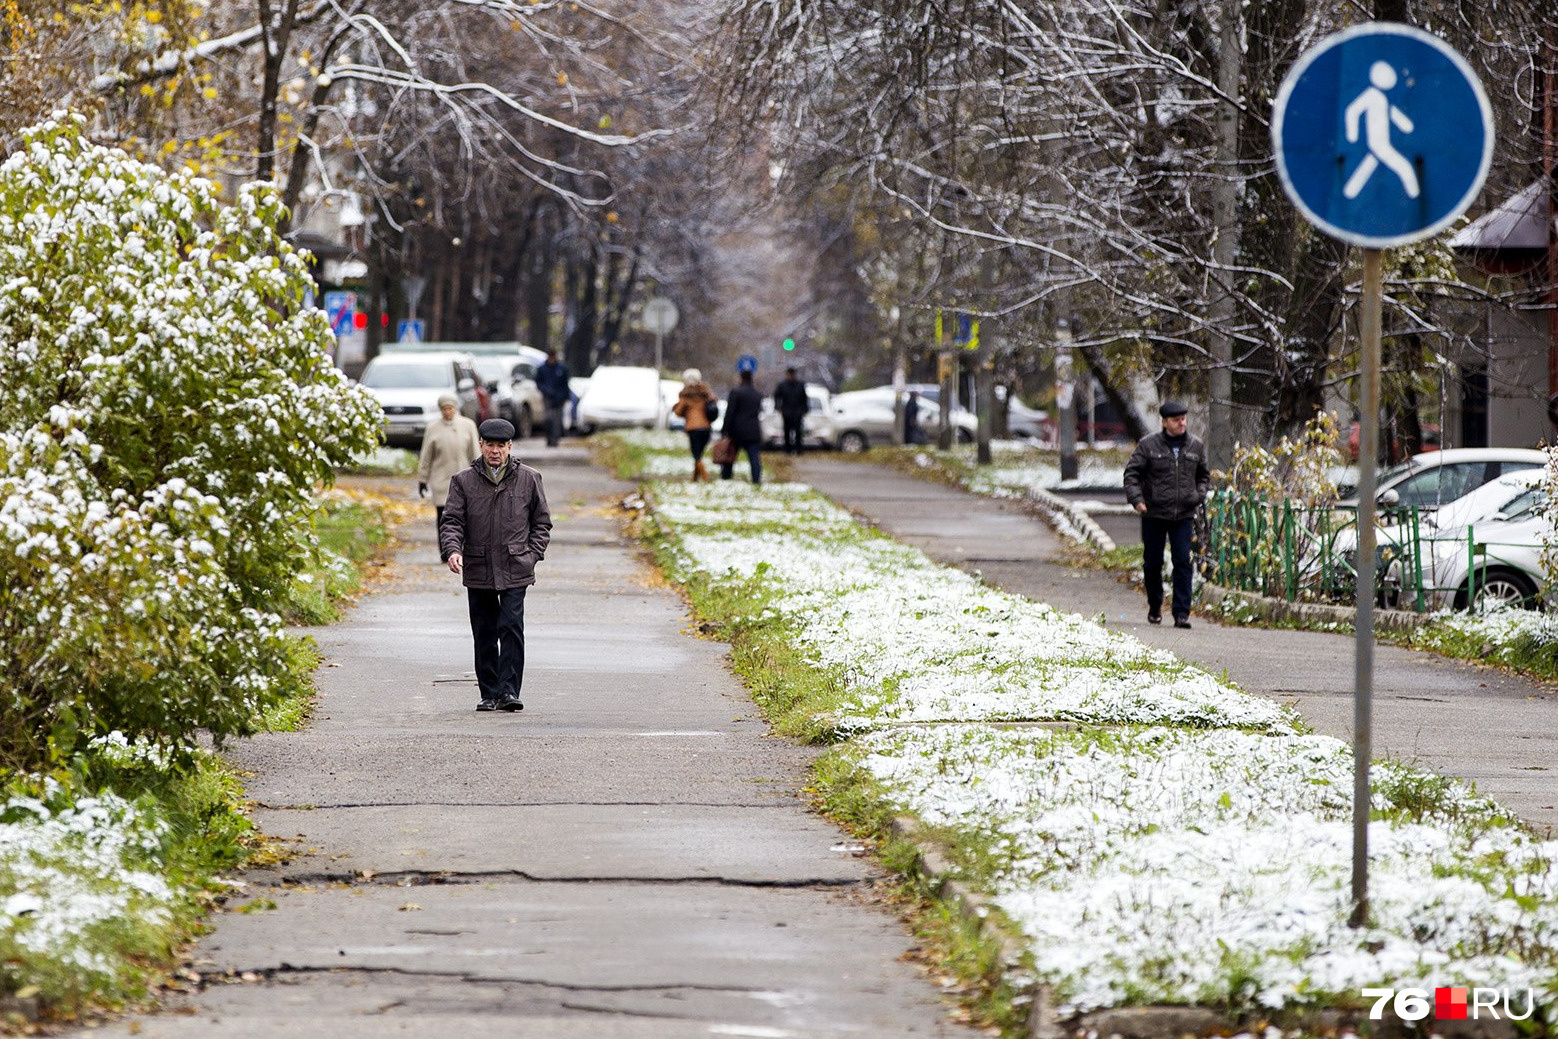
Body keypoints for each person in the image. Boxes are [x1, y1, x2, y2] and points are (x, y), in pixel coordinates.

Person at [439, 418, 553, 712]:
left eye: (500, 446)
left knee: (511, 627)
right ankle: (488, 692)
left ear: (509, 447)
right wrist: (453, 550)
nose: (495, 451)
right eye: (489, 445)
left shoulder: (529, 478)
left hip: (516, 566)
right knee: (485, 631)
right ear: (481, 446)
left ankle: (509, 691)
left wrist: (532, 555)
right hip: (478, 566)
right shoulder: (463, 481)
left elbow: (542, 522)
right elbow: (452, 521)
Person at [1123, 400, 1209, 629]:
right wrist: (1137, 500)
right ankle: (1154, 605)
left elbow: (1203, 475)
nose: (1181, 423)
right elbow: (1131, 474)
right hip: (1154, 513)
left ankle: (1182, 613)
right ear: (1165, 422)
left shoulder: (1195, 446)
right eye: (1176, 420)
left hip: (1183, 514)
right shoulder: (1149, 445)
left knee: (1182, 561)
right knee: (1153, 562)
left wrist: (1198, 495)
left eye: (1183, 419)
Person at [417, 394, 480, 539]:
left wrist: (480, 475)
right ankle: (445, 550)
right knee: (443, 516)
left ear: (455, 408)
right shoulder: (433, 428)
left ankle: (462, 549)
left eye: (450, 408)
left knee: (465, 516)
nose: (447, 412)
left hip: (465, 479)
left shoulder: (468, 425)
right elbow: (426, 455)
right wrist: (422, 479)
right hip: (441, 479)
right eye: (444, 409)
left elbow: (475, 453)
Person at [720, 364, 764, 486]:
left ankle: (726, 477)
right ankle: (756, 479)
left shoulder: (736, 393)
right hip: (753, 430)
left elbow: (730, 413)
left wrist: (725, 430)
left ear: (741, 378)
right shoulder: (757, 394)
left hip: (737, 431)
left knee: (730, 457)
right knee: (754, 458)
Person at [671, 368, 716, 481]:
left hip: (693, 428)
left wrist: (676, 407)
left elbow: (678, 412)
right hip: (706, 428)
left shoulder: (686, 395)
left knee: (696, 455)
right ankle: (695, 478)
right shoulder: (705, 393)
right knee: (699, 453)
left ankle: (705, 477)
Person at [534, 350, 571, 447]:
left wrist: (565, 396)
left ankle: (555, 439)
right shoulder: (542, 369)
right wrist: (546, 390)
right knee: (548, 418)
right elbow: (538, 382)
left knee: (557, 420)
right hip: (547, 397)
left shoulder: (562, 368)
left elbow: (565, 384)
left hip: (559, 398)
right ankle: (549, 438)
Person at [773, 367, 810, 455]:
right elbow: (777, 396)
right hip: (787, 411)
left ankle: (798, 449)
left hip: (797, 412)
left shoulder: (800, 385)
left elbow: (804, 398)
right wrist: (778, 407)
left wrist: (804, 409)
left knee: (798, 432)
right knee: (787, 432)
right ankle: (787, 449)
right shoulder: (782, 385)